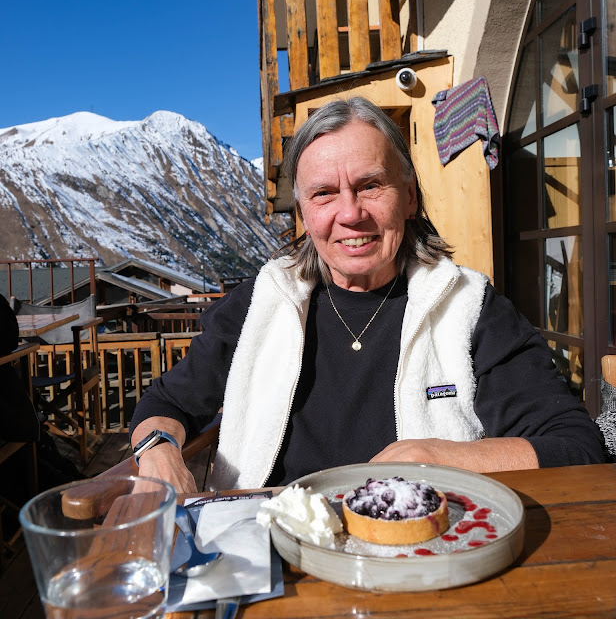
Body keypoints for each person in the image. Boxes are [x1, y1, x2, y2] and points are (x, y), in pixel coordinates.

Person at [129, 97, 605, 493]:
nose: (350, 213)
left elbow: (575, 446)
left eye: (370, 185)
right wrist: (158, 452)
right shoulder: (262, 304)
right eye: (323, 194)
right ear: (303, 215)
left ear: (410, 197)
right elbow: (166, 403)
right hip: (271, 543)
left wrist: (442, 459)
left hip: (415, 550)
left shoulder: (468, 308)